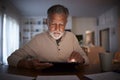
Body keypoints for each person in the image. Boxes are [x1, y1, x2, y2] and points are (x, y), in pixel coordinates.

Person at [7, 4, 89, 70]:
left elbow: (87, 59)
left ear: (66, 23)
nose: (57, 29)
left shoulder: (72, 37)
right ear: (47, 22)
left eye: (61, 24)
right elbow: (11, 58)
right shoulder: (37, 39)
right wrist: (28, 64)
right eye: (53, 24)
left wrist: (82, 60)